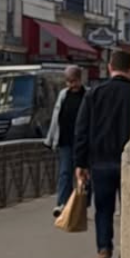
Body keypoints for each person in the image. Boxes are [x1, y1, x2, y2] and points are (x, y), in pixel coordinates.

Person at [74, 50, 130, 258]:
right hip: (129, 163)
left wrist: (80, 163)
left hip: (100, 163)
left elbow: (81, 131)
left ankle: (103, 250)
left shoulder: (94, 94)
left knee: (103, 211)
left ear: (110, 67)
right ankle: (127, 254)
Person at [45, 65, 87, 218]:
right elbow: (56, 118)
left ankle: (81, 205)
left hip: (83, 142)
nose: (71, 84)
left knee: (83, 175)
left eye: (73, 81)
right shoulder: (63, 94)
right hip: (65, 140)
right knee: (65, 173)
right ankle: (62, 204)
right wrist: (50, 139)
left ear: (80, 79)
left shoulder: (87, 95)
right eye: (68, 81)